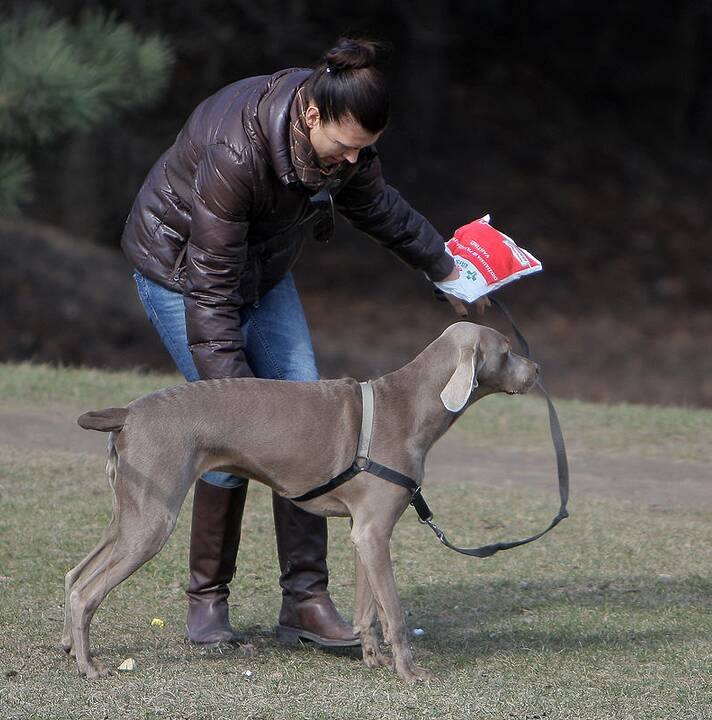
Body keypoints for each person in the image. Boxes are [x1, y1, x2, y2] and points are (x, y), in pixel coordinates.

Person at [120, 37, 483, 647]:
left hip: (261, 268)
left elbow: (379, 206)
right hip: (181, 270)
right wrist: (235, 403)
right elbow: (210, 289)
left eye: (364, 151)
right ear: (311, 114)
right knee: (225, 428)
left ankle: (306, 601)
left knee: (308, 414)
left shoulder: (343, 144)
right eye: (345, 147)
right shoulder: (237, 147)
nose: (351, 161)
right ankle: (206, 602)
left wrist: (446, 269)